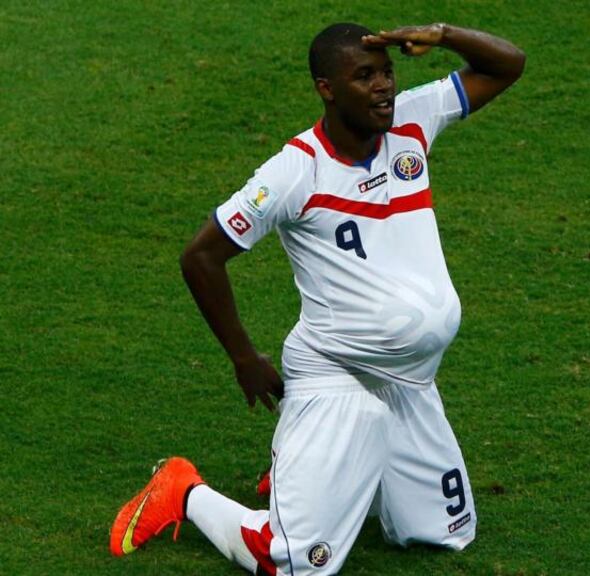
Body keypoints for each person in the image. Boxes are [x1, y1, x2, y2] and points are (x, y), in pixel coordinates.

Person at [109, 22, 525, 575]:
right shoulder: (294, 172)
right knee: (297, 565)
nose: (383, 88)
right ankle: (184, 490)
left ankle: (310, 470)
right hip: (337, 370)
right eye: (364, 77)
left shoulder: (412, 121)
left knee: (444, 535)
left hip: (409, 380)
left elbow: (507, 65)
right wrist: (243, 358)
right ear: (327, 88)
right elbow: (200, 257)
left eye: (386, 73)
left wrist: (442, 34)